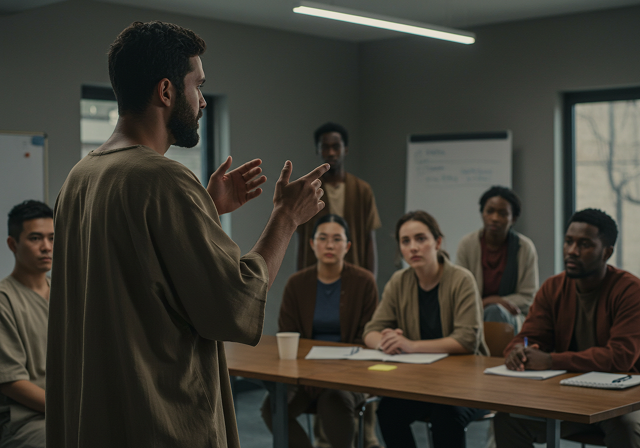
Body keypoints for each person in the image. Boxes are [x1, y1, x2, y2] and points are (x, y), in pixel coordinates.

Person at [47, 21, 329, 448]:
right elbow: (234, 302)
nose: (201, 102)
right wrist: (286, 217)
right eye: (198, 86)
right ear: (166, 91)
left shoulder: (81, 176)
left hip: (100, 418)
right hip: (159, 418)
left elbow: (141, 266)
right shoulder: (164, 179)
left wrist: (205, 209)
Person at [495, 208, 640, 448]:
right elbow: (528, 336)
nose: (572, 251)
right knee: (508, 420)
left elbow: (620, 358)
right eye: (568, 241)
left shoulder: (630, 291)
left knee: (626, 426)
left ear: (606, 252)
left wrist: (551, 361)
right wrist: (518, 351)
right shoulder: (553, 288)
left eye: (584, 244)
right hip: (567, 397)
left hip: (621, 400)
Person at [363, 210, 488, 448]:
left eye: (421, 239)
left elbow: (466, 340)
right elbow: (371, 330)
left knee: (445, 416)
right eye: (405, 241)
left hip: (466, 383)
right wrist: (384, 342)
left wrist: (410, 346)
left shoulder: (462, 279)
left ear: (438, 242)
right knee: (388, 412)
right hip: (421, 382)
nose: (413, 247)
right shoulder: (399, 281)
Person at [262, 214, 379, 448]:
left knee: (334, 400)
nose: (329, 245)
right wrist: (310, 373)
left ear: (347, 246)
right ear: (312, 244)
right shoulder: (297, 284)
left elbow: (365, 336)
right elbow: (288, 333)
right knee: (273, 408)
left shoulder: (364, 282)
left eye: (337, 239)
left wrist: (327, 374)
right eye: (322, 238)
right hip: (305, 374)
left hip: (349, 374)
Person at [0, 200, 53, 448]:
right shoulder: (4, 300)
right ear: (13, 244)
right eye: (35, 238)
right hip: (28, 421)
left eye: (52, 238)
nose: (46, 247)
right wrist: (70, 409)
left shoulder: (68, 295)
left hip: (73, 412)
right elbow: (12, 382)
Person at [296, 122, 381, 275]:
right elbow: (303, 241)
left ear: (345, 150)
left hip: (354, 273)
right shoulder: (309, 191)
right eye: (325, 147)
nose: (331, 153)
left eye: (336, 147)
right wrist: (300, 282)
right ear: (318, 150)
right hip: (316, 275)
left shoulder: (362, 190)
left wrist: (371, 282)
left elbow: (370, 239)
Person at [456, 186, 539, 330]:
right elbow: (459, 292)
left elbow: (528, 298)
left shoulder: (524, 247)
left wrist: (495, 302)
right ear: (482, 213)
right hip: (472, 313)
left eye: (502, 214)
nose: (494, 218)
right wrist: (486, 303)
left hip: (512, 316)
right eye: (490, 211)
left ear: (513, 219)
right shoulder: (467, 244)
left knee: (495, 312)